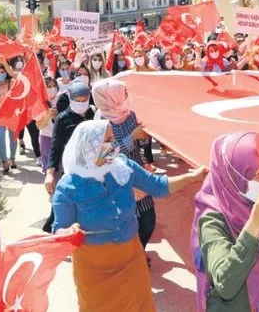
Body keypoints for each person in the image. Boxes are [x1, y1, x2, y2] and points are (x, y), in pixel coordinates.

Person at [53, 120, 207, 312]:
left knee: (139, 304)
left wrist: (193, 177)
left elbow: (158, 186)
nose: (114, 144)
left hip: (131, 257)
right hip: (93, 267)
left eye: (113, 138)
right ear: (91, 146)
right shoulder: (68, 186)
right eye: (108, 139)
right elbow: (59, 229)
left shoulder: (123, 167)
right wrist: (69, 231)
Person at [191, 132, 259, 312]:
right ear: (234, 176)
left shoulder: (258, 204)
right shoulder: (212, 221)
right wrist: (253, 227)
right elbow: (225, 285)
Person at [92, 79, 158, 262]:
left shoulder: (130, 114)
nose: (127, 97)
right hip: (116, 180)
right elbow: (104, 157)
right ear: (112, 98)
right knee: (126, 223)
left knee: (148, 221)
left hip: (137, 174)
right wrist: (131, 138)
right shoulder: (99, 124)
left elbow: (142, 142)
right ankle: (131, 257)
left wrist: (144, 139)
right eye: (124, 93)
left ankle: (139, 250)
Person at [43, 81, 96, 232]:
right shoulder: (63, 118)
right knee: (65, 205)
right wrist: (50, 174)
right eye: (77, 101)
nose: (81, 104)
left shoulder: (94, 114)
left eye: (84, 100)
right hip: (72, 168)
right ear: (70, 99)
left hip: (92, 168)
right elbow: (56, 146)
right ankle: (57, 231)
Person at [35, 77, 59, 173]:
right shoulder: (39, 103)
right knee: (48, 167)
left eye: (54, 86)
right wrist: (47, 116)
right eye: (49, 86)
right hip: (46, 138)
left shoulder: (62, 99)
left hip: (59, 138)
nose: (52, 88)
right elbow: (39, 126)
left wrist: (57, 116)